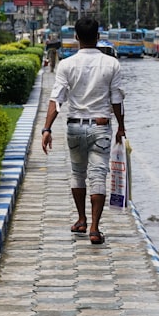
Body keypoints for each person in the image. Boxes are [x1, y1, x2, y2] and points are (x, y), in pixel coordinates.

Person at [40, 17, 125, 245]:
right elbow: (116, 100)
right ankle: (95, 229)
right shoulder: (111, 64)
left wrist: (46, 128)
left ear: (76, 37)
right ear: (98, 36)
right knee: (98, 176)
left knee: (78, 174)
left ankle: (81, 219)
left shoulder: (66, 65)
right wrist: (121, 127)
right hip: (101, 126)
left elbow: (56, 99)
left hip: (75, 127)